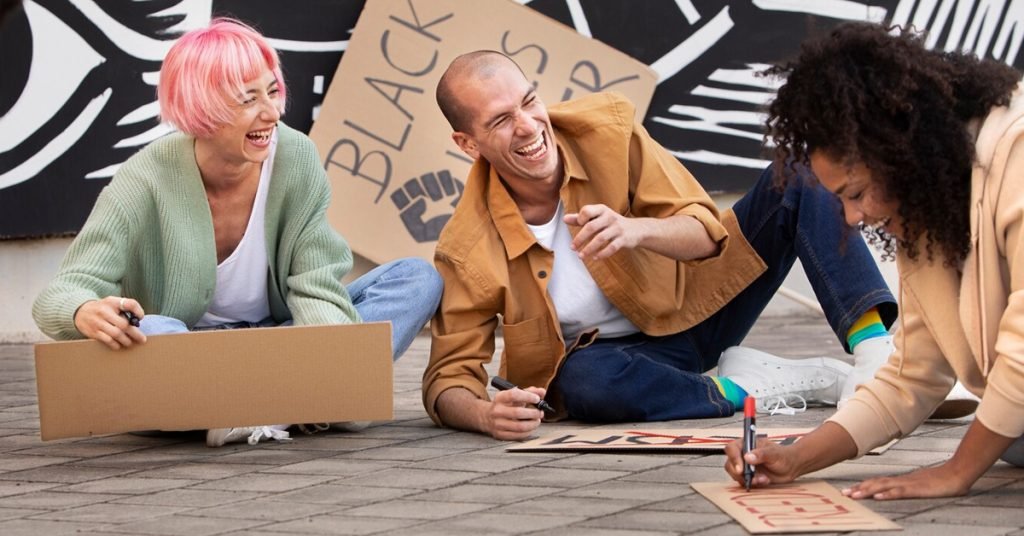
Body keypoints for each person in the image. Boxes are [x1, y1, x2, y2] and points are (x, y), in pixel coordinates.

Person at [423, 50, 902, 441]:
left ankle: (878, 358)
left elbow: (706, 231)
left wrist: (636, 231)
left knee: (798, 175)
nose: (528, 126)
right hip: (622, 363)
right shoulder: (466, 247)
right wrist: (486, 416)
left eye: (529, 102)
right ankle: (746, 387)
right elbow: (448, 378)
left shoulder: (607, 132)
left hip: (703, 302)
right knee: (583, 383)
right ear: (468, 144)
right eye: (501, 121)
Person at [32, 19, 442, 447]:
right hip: (190, 349)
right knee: (150, 329)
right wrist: (85, 312)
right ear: (202, 109)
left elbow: (315, 282)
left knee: (417, 277)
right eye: (248, 99)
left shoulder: (295, 156)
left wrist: (335, 366)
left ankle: (238, 410)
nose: (273, 112)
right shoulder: (145, 178)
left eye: (272, 90)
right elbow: (60, 294)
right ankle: (292, 408)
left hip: (281, 336)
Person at [724, 22, 1024, 499]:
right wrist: (798, 456)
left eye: (857, 193)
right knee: (1010, 434)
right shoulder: (930, 208)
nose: (852, 217)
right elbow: (911, 377)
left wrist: (957, 471)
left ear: (900, 151)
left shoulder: (1015, 152)